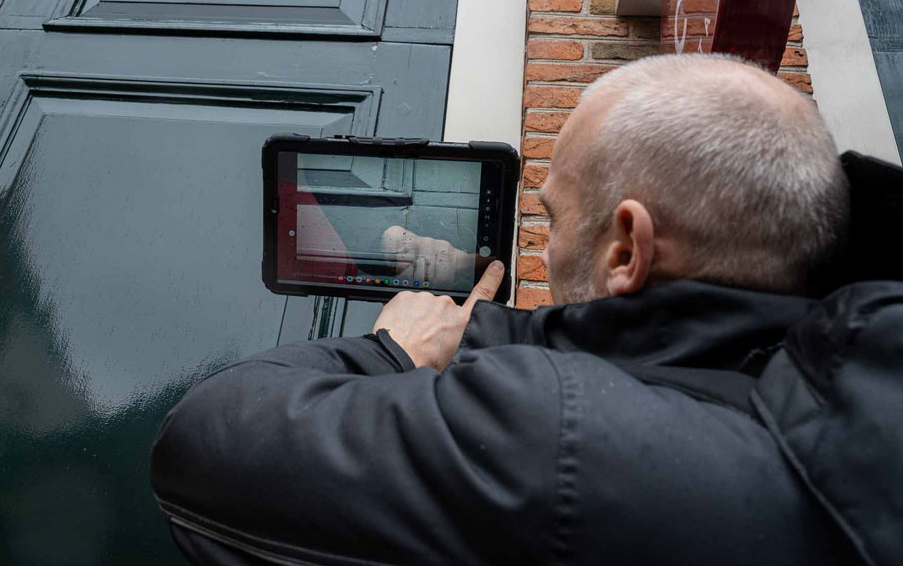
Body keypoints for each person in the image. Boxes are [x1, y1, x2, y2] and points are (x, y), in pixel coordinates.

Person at [150, 54, 903, 565]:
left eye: (551, 219)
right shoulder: (821, 391)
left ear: (625, 249)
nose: (541, 251)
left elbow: (199, 451)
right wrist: (479, 322)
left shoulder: (560, 434)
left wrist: (393, 353)